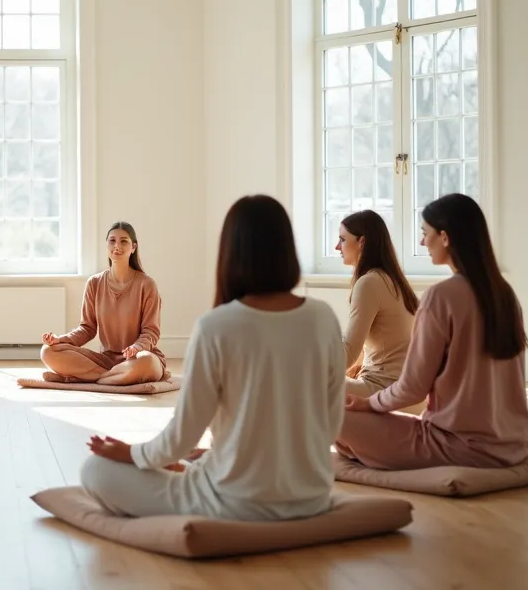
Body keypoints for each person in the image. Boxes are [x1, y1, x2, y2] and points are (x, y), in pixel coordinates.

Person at [80, 196, 345, 521]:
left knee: (96, 469)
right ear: (288, 249)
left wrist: (132, 453)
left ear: (229, 253)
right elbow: (331, 426)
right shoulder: (324, 318)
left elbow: (181, 437)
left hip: (233, 501)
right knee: (198, 458)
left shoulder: (216, 325)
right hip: (312, 498)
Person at [335, 193, 528, 470]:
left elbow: (413, 389)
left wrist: (368, 405)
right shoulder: (505, 294)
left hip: (454, 446)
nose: (421, 242)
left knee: (328, 412)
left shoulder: (441, 296)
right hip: (513, 445)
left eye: (424, 233)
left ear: (445, 237)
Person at [39, 222, 166, 386]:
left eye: (124, 241)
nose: (117, 246)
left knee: (148, 363)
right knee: (48, 351)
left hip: (138, 358)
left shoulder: (147, 285)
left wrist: (136, 348)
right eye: (112, 241)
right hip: (106, 360)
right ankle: (111, 378)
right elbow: (87, 329)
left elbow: (151, 332)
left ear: (133, 247)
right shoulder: (94, 283)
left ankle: (81, 378)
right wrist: (60, 340)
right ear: (107, 245)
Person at [335, 210, 424, 410]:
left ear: (362, 242)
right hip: (408, 391)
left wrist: (309, 363)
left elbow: (348, 353)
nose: (337, 246)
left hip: (386, 390)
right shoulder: (392, 280)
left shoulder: (369, 283)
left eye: (342, 239)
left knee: (304, 383)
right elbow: (359, 352)